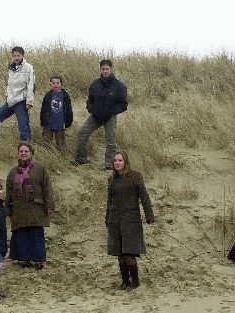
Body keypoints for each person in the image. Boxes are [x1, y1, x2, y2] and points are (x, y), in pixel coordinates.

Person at [106, 151, 154, 290]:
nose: (117, 163)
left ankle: (135, 282)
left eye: (120, 160)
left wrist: (149, 215)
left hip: (131, 221)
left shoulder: (135, 177)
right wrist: (107, 219)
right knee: (119, 255)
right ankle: (125, 281)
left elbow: (144, 197)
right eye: (115, 160)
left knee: (128, 254)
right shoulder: (112, 180)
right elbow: (110, 201)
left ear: (125, 162)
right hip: (115, 221)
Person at [6, 142, 55, 270]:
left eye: (26, 151)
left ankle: (41, 261)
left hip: (36, 209)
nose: (23, 153)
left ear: (31, 153)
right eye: (21, 151)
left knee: (36, 235)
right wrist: (8, 210)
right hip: (19, 209)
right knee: (21, 234)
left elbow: (47, 188)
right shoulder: (12, 172)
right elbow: (9, 192)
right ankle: (25, 259)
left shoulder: (40, 168)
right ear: (18, 153)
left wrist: (50, 205)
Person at [73, 59, 128, 169]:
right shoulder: (95, 84)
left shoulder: (119, 85)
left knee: (111, 142)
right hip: (95, 116)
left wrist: (112, 112)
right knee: (82, 134)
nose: (105, 71)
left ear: (111, 69)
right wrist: (91, 109)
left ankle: (109, 165)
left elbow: (123, 104)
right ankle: (81, 159)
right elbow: (90, 100)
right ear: (100, 69)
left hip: (110, 117)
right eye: (103, 69)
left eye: (107, 69)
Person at [0, 46, 35, 144]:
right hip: (10, 101)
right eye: (14, 56)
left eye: (18, 56)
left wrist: (29, 101)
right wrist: (7, 95)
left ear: (23, 55)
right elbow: (10, 84)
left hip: (21, 101)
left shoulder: (28, 68)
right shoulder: (11, 68)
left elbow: (31, 85)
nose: (16, 58)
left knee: (23, 126)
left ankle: (26, 146)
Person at [39, 75, 73, 152]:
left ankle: (61, 159)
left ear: (61, 84)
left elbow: (69, 110)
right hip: (48, 124)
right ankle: (47, 157)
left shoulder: (65, 96)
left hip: (60, 124)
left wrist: (68, 121)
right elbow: (43, 109)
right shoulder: (48, 96)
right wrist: (43, 121)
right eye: (53, 83)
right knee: (46, 143)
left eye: (58, 83)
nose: (55, 85)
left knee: (61, 144)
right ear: (50, 84)